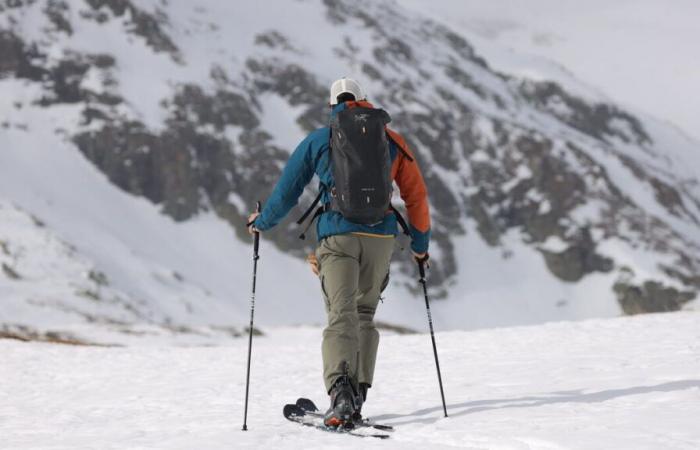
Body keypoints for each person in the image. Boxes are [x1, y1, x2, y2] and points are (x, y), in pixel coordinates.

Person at [247, 77, 431, 427]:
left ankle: (340, 394)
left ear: (334, 106)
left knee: (340, 314)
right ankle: (356, 395)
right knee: (363, 315)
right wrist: (420, 249)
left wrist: (262, 222)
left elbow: (288, 191)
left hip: (338, 237)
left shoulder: (321, 139)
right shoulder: (391, 140)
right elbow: (416, 197)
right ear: (364, 101)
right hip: (380, 241)